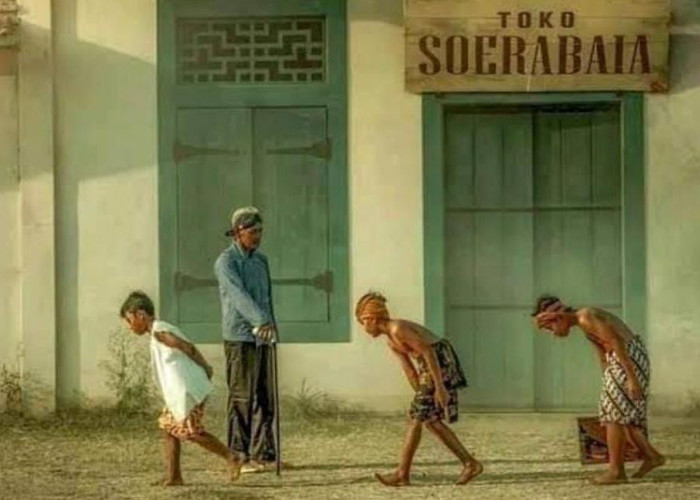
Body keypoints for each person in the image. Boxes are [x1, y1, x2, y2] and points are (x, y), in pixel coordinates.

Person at [532, 295, 666, 485]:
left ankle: (616, 471)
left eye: (550, 327)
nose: (552, 333)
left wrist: (632, 378)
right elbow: (602, 353)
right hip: (619, 361)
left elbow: (617, 341)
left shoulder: (586, 316)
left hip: (627, 358)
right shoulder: (583, 323)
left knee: (613, 415)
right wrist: (607, 378)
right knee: (616, 412)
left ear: (558, 318)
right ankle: (651, 456)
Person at [355, 292, 483, 487]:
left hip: (440, 363)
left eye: (363, 322)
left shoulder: (398, 329)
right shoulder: (391, 340)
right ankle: (470, 463)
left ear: (372, 319)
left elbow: (428, 351)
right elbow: (409, 369)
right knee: (430, 420)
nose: (363, 328)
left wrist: (440, 388)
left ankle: (402, 473)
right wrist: (419, 393)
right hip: (428, 369)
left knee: (416, 418)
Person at [119, 290, 242, 486]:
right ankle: (173, 476)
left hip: (188, 392)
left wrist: (206, 367)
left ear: (140, 314)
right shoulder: (156, 333)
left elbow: (187, 347)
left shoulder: (160, 331)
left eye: (129, 319)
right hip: (178, 394)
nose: (129, 326)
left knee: (191, 432)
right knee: (168, 429)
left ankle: (231, 456)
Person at [215, 206, 278, 473]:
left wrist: (271, 325)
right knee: (242, 398)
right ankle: (239, 455)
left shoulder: (261, 261)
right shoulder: (226, 262)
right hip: (240, 338)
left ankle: (264, 454)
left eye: (260, 231)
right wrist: (259, 320)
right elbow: (239, 296)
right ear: (238, 232)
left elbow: (266, 298)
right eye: (253, 231)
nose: (258, 236)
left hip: (264, 337)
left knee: (267, 397)